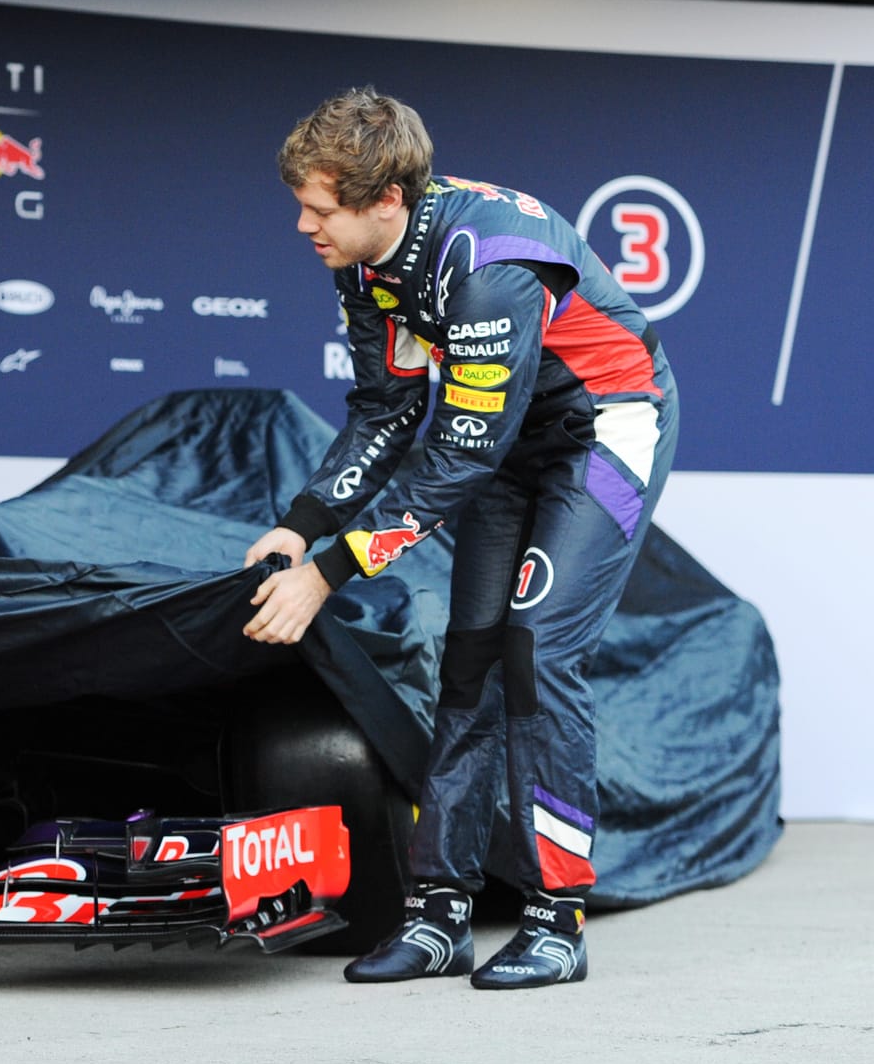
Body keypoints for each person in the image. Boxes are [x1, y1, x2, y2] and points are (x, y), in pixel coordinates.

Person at [242, 87, 677, 990]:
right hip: (505, 443)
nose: (302, 225)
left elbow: (461, 452)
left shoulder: (488, 264)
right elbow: (387, 407)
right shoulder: (362, 263)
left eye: (319, 208)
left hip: (605, 425)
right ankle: (440, 913)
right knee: (470, 657)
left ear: (385, 200)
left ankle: (557, 920)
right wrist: (305, 521)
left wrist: (330, 570)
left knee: (535, 644)